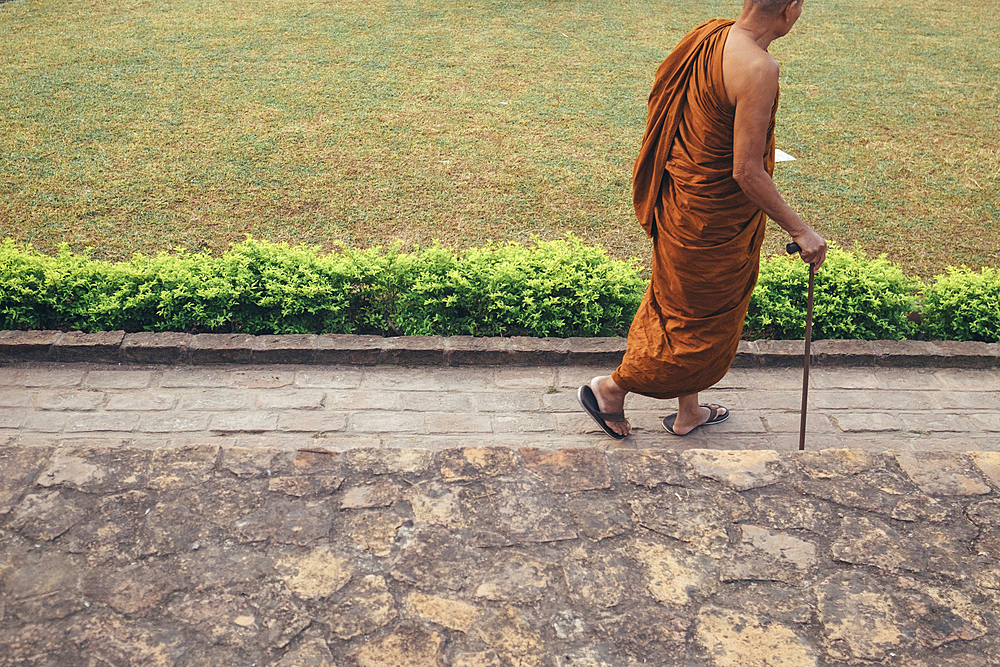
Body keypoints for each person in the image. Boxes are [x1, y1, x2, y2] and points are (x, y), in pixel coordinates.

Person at [578, 0, 827, 438]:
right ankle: (611, 389)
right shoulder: (759, 69)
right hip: (711, 223)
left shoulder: (708, 36)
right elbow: (746, 171)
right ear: (788, 10)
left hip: (682, 202)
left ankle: (688, 412)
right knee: (695, 326)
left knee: (681, 308)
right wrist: (800, 230)